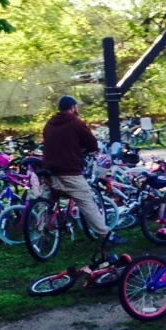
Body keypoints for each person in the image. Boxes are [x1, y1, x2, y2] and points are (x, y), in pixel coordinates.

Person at [42, 96, 118, 243]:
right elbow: (91, 143)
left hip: (49, 170)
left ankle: (40, 230)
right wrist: (89, 149)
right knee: (87, 201)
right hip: (69, 170)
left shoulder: (49, 124)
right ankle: (106, 235)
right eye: (77, 106)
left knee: (48, 203)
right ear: (72, 107)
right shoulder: (75, 123)